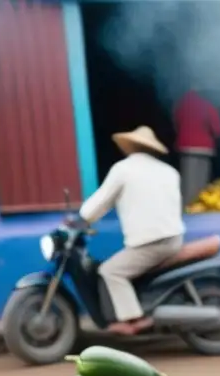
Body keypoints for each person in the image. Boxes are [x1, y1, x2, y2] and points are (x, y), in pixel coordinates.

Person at [78, 126, 185, 335]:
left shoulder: (123, 169)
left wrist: (83, 217)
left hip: (151, 243)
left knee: (110, 270)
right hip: (173, 239)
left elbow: (97, 206)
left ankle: (134, 318)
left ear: (130, 147)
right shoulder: (169, 171)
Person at [174, 87, 220, 205]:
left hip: (185, 146)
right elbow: (217, 130)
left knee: (188, 182)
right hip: (205, 148)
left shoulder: (180, 105)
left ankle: (186, 209)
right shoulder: (207, 105)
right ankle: (198, 207)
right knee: (201, 182)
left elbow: (176, 123)